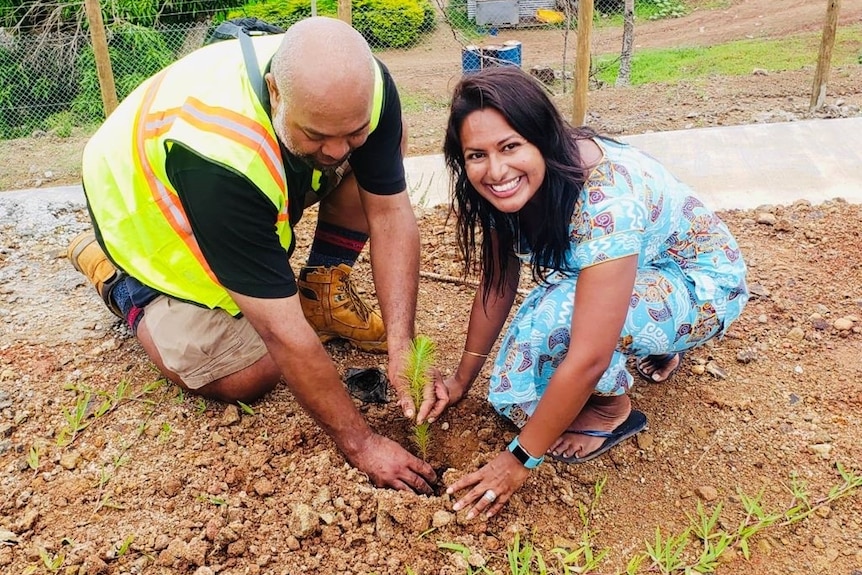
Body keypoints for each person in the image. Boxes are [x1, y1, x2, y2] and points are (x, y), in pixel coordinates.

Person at [67, 17, 446, 493]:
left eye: (351, 131)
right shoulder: (219, 157)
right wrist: (362, 444)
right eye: (317, 135)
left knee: (372, 154)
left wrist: (402, 345)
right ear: (276, 91)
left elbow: (389, 212)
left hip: (241, 181)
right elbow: (280, 330)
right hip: (147, 208)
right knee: (244, 374)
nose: (335, 151)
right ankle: (120, 282)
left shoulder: (364, 90)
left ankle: (321, 288)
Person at [437, 67, 749, 519]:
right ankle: (654, 339)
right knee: (528, 365)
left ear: (541, 138)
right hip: (642, 274)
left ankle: (611, 410)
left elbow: (587, 356)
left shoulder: (606, 198)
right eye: (476, 155)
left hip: (702, 285)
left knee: (561, 317)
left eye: (510, 146)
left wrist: (519, 459)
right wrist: (462, 379)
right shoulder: (503, 190)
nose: (496, 170)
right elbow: (497, 283)